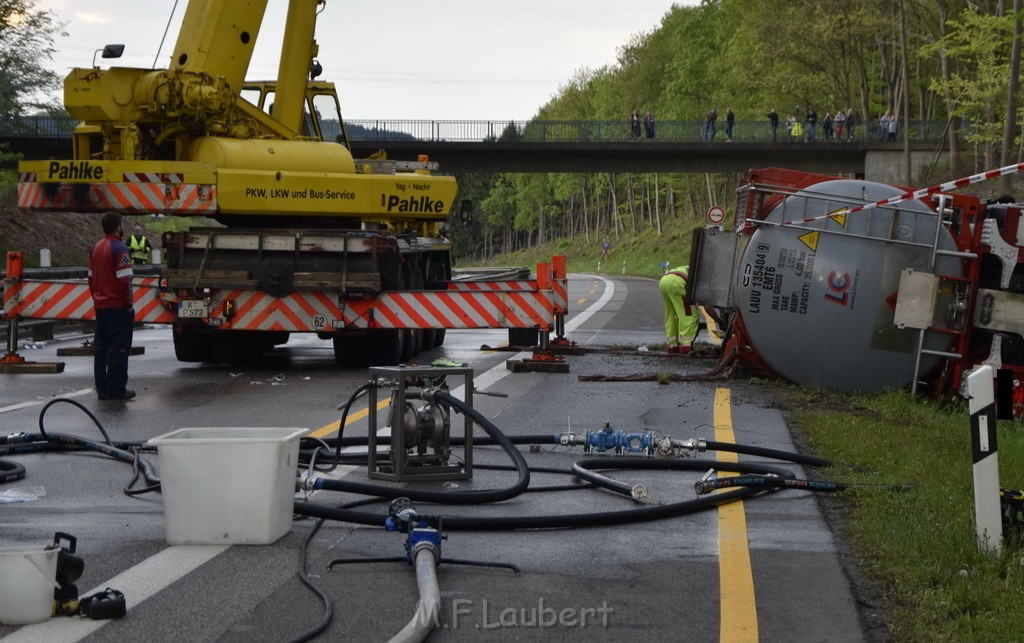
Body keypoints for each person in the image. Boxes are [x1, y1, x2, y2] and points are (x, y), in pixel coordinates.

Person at [88, 212, 136, 401]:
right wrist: (128, 304)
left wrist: (96, 298)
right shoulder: (120, 249)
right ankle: (116, 388)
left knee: (101, 347)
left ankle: (102, 387)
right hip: (117, 306)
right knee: (119, 347)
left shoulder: (95, 248)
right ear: (118, 227)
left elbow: (90, 278)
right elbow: (125, 281)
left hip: (101, 305)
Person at [659, 266, 699, 354]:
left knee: (671, 315)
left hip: (664, 280)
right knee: (689, 315)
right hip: (677, 283)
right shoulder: (703, 275)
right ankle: (685, 347)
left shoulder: (689, 267)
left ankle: (672, 346)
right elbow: (707, 306)